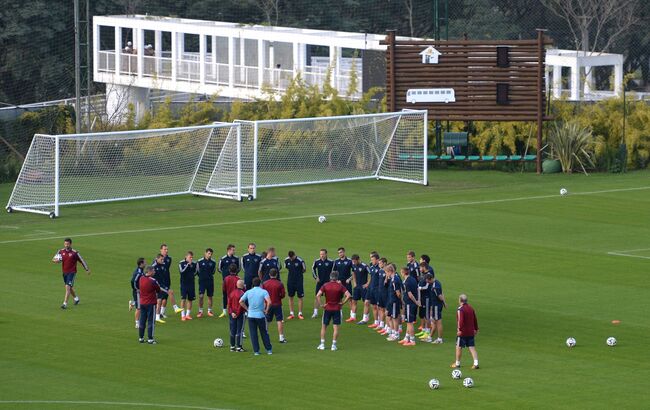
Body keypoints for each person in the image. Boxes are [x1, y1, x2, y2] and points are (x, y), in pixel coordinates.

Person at [316, 271, 351, 351]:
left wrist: (321, 304)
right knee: (336, 328)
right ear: (337, 278)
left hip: (327, 308)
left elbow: (318, 295)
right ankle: (333, 345)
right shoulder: (340, 286)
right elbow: (348, 295)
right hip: (337, 309)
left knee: (324, 327)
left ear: (330, 277)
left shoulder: (325, 285)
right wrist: (342, 303)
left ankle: (322, 344)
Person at [52, 238, 90, 309]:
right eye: (65, 244)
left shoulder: (74, 253)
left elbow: (82, 260)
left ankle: (64, 304)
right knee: (69, 287)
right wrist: (56, 261)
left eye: (68, 244)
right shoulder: (60, 251)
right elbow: (53, 259)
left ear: (70, 244)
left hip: (72, 272)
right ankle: (76, 299)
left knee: (67, 287)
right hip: (64, 272)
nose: (66, 245)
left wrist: (87, 269)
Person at [239, 277, 273, 356]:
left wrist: (247, 309)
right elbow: (269, 302)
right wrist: (266, 310)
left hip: (251, 315)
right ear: (260, 283)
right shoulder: (263, 291)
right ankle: (269, 349)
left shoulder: (248, 292)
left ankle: (256, 351)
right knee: (264, 332)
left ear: (252, 284)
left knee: (253, 334)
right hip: (260, 315)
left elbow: (240, 301)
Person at [153, 244, 181, 323]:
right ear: (160, 250)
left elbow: (164, 270)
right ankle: (175, 308)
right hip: (158, 284)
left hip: (165, 282)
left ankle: (159, 315)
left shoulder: (168, 259)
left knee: (162, 299)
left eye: (167, 249)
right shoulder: (154, 265)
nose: (166, 251)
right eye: (165, 249)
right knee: (169, 292)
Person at [138, 266, 166, 344]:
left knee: (142, 321)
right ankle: (150, 339)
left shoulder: (141, 278)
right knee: (151, 321)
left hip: (142, 303)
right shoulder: (153, 281)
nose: (154, 272)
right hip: (150, 304)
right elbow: (158, 290)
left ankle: (141, 338)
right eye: (153, 271)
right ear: (149, 272)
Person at [451, 294, 479, 369]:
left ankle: (457, 363)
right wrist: (476, 328)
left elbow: (460, 321)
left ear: (460, 300)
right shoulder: (471, 308)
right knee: (472, 347)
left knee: (458, 347)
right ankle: (476, 363)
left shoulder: (460, 309)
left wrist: (459, 330)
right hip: (471, 331)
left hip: (463, 332)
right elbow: (475, 319)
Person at [262, 269, 287, 343]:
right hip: (277, 304)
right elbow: (283, 295)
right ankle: (281, 338)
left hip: (268, 304)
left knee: (267, 321)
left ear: (269, 274)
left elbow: (263, 294)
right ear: (276, 274)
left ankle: (265, 336)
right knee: (279, 320)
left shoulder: (265, 283)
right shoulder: (280, 284)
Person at [219, 244, 240, 318]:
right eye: (233, 250)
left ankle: (235, 310)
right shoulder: (223, 259)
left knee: (235, 295)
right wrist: (225, 275)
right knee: (225, 294)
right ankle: (224, 311)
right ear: (228, 250)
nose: (234, 251)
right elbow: (219, 269)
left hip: (234, 280)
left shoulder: (236, 258)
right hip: (226, 280)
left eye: (234, 250)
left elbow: (239, 268)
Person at [311, 249, 333, 319]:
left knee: (328, 297)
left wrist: (332, 279)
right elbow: (313, 269)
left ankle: (327, 312)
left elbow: (334, 271)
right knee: (317, 296)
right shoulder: (317, 261)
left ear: (326, 254)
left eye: (323, 254)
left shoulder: (331, 262)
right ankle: (315, 312)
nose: (321, 255)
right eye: (320, 254)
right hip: (320, 283)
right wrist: (315, 277)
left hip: (328, 283)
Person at [401, 266, 420, 346]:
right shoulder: (413, 279)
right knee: (408, 321)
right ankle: (406, 337)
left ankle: (412, 341)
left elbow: (410, 294)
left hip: (410, 304)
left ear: (404, 273)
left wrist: (416, 302)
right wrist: (418, 300)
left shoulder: (407, 282)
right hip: (411, 304)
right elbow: (417, 289)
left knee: (409, 322)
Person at [284, 250, 306, 320]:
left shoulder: (300, 261)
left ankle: (300, 313)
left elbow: (304, 269)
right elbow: (286, 267)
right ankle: (291, 313)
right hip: (290, 281)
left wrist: (298, 274)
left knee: (300, 297)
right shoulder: (286, 260)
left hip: (299, 281)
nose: (291, 259)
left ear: (294, 255)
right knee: (290, 297)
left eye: (292, 258)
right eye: (290, 258)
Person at [334, 247, 354, 321]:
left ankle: (352, 315)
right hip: (339, 283)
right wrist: (336, 280)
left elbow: (354, 272)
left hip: (347, 283)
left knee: (349, 298)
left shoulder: (349, 261)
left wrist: (349, 279)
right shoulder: (336, 261)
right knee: (339, 298)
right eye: (339, 253)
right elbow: (334, 272)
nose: (340, 254)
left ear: (344, 252)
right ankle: (340, 313)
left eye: (341, 252)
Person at [384, 264, 402, 341]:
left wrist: (399, 301)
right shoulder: (392, 279)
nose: (386, 274)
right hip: (391, 301)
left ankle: (396, 334)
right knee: (391, 317)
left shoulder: (395, 280)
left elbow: (398, 293)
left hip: (394, 301)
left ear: (390, 271)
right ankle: (393, 332)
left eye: (386, 272)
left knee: (394, 318)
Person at [197, 248, 217, 318]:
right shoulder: (199, 261)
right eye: (208, 253)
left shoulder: (213, 262)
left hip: (210, 281)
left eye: (211, 254)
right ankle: (200, 311)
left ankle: (209, 311)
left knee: (210, 296)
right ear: (205, 253)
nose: (210, 255)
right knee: (201, 296)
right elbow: (198, 271)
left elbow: (213, 272)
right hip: (202, 281)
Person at [350, 255, 370, 324]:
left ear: (358, 259)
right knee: (354, 301)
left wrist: (367, 284)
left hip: (363, 287)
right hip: (357, 287)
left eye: (355, 261)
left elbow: (371, 274)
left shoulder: (365, 266)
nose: (354, 263)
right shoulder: (353, 265)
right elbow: (353, 273)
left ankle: (365, 318)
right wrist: (354, 282)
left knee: (366, 302)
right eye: (353, 261)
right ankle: (353, 317)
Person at [179, 251, 198, 321]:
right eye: (190, 257)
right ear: (186, 256)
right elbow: (181, 272)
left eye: (192, 257)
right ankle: (182, 315)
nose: (191, 259)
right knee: (183, 299)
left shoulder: (194, 263)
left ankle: (188, 314)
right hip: (184, 284)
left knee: (190, 299)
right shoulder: (181, 263)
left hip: (191, 284)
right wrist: (187, 265)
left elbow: (195, 272)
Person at [228, 279, 246, 352]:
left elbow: (229, 305)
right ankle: (239, 347)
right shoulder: (243, 293)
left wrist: (232, 313)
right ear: (242, 285)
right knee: (240, 330)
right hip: (240, 314)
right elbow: (241, 305)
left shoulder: (231, 293)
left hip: (232, 314)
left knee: (232, 330)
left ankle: (232, 346)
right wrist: (237, 314)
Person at [364, 252, 380, 328]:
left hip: (377, 290)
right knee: (372, 305)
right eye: (371, 259)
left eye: (373, 259)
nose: (372, 261)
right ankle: (375, 321)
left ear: (377, 260)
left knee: (378, 306)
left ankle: (380, 322)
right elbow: (371, 276)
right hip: (371, 288)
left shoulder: (380, 268)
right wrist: (368, 283)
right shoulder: (372, 267)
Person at [130, 258, 146, 328]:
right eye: (144, 262)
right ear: (141, 264)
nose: (145, 263)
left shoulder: (141, 271)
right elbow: (133, 281)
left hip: (141, 291)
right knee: (139, 308)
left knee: (141, 304)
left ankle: (132, 303)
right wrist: (137, 289)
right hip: (137, 292)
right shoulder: (138, 272)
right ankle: (137, 323)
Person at [430, 273, 446, 344]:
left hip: (436, 306)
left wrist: (444, 302)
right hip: (436, 306)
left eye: (427, 281)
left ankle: (439, 339)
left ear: (430, 279)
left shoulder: (435, 287)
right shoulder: (437, 282)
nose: (427, 282)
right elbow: (442, 293)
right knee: (434, 321)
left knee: (438, 322)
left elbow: (440, 296)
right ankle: (431, 336)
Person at [375, 257, 389, 335]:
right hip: (380, 292)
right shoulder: (380, 270)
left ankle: (387, 326)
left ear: (384, 263)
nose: (379, 264)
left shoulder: (387, 271)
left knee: (386, 310)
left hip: (385, 293)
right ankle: (381, 324)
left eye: (380, 263)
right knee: (380, 308)